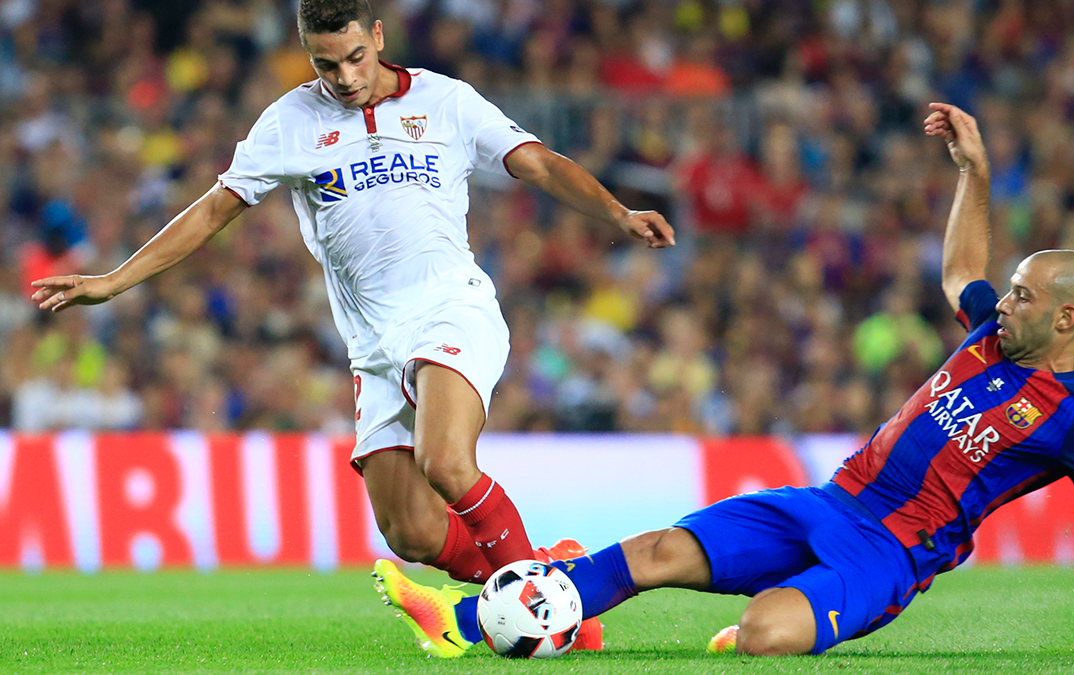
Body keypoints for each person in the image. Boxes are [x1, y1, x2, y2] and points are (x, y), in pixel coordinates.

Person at [372, 103, 1074, 658]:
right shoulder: (988, 333)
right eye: (1010, 290)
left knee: (762, 635)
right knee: (655, 548)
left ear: (1066, 321)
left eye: (1023, 295)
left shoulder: (1070, 418)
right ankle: (464, 624)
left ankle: (779, 613)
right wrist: (971, 173)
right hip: (830, 500)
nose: (1002, 301)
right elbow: (960, 271)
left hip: (890, 554)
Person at [30, 0, 675, 651]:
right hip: (375, 348)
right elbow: (212, 210)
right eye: (325, 63)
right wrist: (114, 279)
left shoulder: (446, 101)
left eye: (354, 57)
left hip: (451, 312)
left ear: (378, 35)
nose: (342, 76)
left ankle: (549, 614)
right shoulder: (290, 121)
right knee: (412, 531)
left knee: (447, 461)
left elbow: (536, 162)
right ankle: (559, 580)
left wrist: (617, 213)